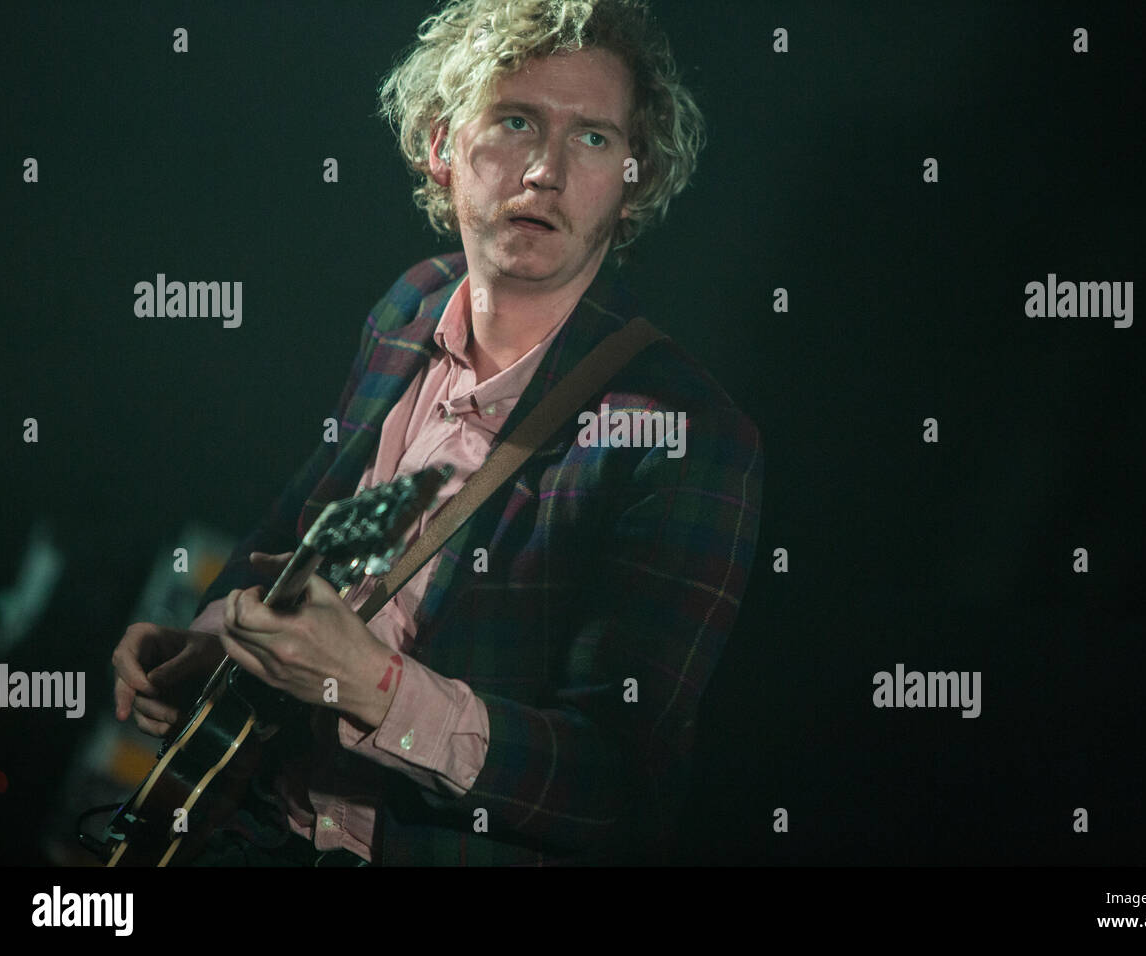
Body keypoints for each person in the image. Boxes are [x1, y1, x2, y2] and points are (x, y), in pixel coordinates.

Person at [109, 0, 763, 865]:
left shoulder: (685, 437)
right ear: (442, 147)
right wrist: (212, 635)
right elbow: (308, 515)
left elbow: (620, 789)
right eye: (516, 121)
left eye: (594, 138)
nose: (545, 171)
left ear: (633, 182)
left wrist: (375, 689)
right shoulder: (413, 302)